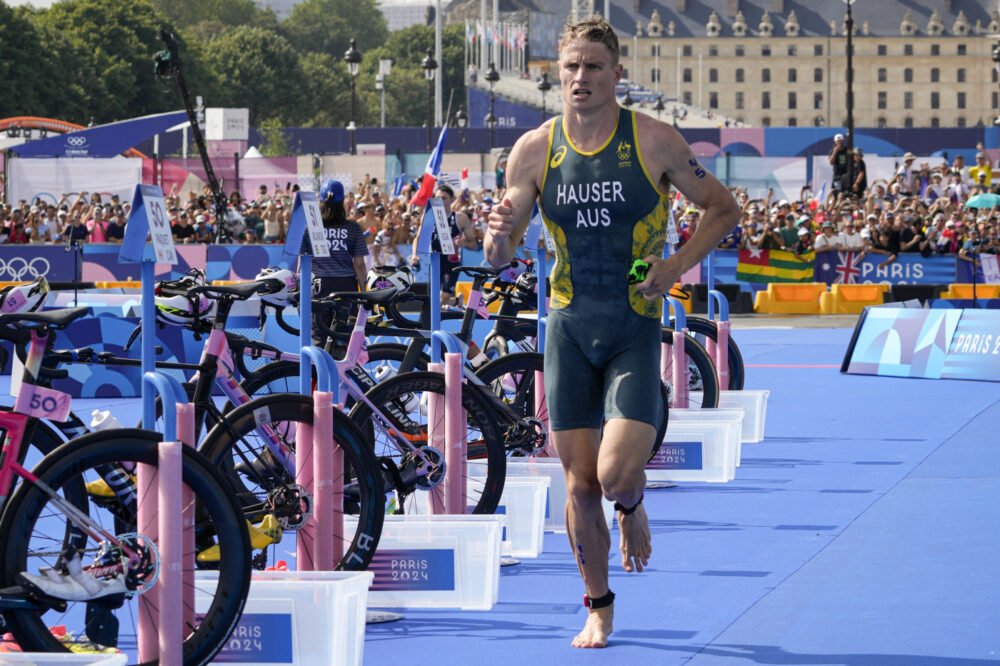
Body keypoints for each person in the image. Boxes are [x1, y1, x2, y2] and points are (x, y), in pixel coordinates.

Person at [483, 15, 739, 650]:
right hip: (568, 328)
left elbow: (724, 208)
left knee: (617, 474)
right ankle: (598, 605)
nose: (579, 78)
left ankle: (632, 503)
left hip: (631, 327)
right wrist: (489, 234)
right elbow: (499, 248)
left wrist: (676, 265)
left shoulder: (653, 140)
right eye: (570, 66)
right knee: (577, 484)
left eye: (593, 67)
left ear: (617, 73)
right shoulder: (533, 149)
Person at [306, 179, 368, 344]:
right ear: (343, 202)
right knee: (346, 341)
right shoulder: (353, 228)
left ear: (321, 201)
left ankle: (319, 370)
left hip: (318, 287)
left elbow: (302, 264)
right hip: (346, 288)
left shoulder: (311, 228)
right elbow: (359, 265)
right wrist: (365, 294)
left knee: (318, 341)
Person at [409, 183, 477, 306]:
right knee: (433, 299)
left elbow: (473, 244)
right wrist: (414, 255)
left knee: (442, 297)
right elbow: (418, 238)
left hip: (452, 261)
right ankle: (455, 301)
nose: (440, 201)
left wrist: (463, 243)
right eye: (437, 197)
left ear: (452, 200)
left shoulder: (461, 218)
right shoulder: (429, 215)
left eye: (444, 198)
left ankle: (446, 306)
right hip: (435, 260)